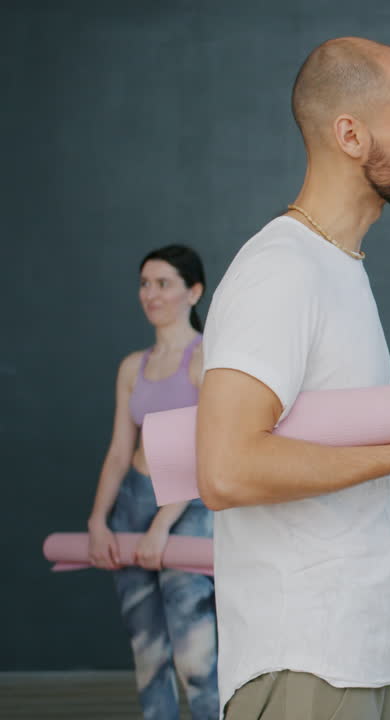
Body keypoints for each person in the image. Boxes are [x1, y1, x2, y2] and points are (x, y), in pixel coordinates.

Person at [195, 37, 390, 720]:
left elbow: (314, 432)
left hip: (361, 654)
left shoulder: (337, 267)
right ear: (350, 134)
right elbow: (227, 468)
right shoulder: (281, 270)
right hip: (304, 662)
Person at [87, 244, 219, 720]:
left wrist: (164, 524)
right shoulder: (132, 366)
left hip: (187, 506)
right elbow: (120, 451)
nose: (150, 293)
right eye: (145, 283)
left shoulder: (205, 360)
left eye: (163, 283)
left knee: (195, 658)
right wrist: (98, 520)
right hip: (134, 500)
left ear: (194, 291)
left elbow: (208, 450)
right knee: (148, 655)